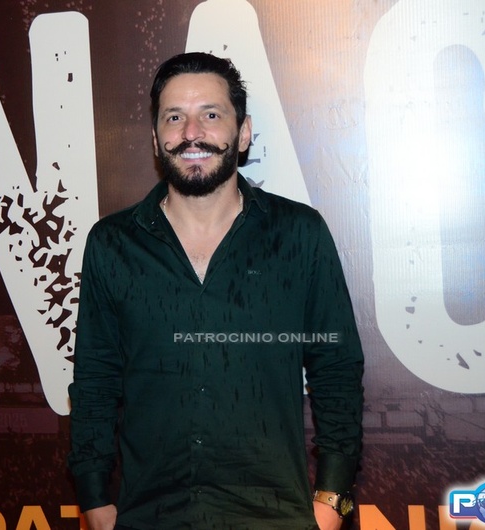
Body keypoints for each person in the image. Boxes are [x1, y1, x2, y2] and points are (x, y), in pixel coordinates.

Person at [68, 52, 364, 530]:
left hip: (276, 519)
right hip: (149, 517)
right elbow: (95, 380)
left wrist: (331, 502)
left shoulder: (299, 233)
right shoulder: (111, 244)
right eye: (174, 117)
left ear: (243, 133)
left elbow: (337, 369)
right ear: (156, 139)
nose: (191, 132)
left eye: (210, 115)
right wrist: (95, 501)